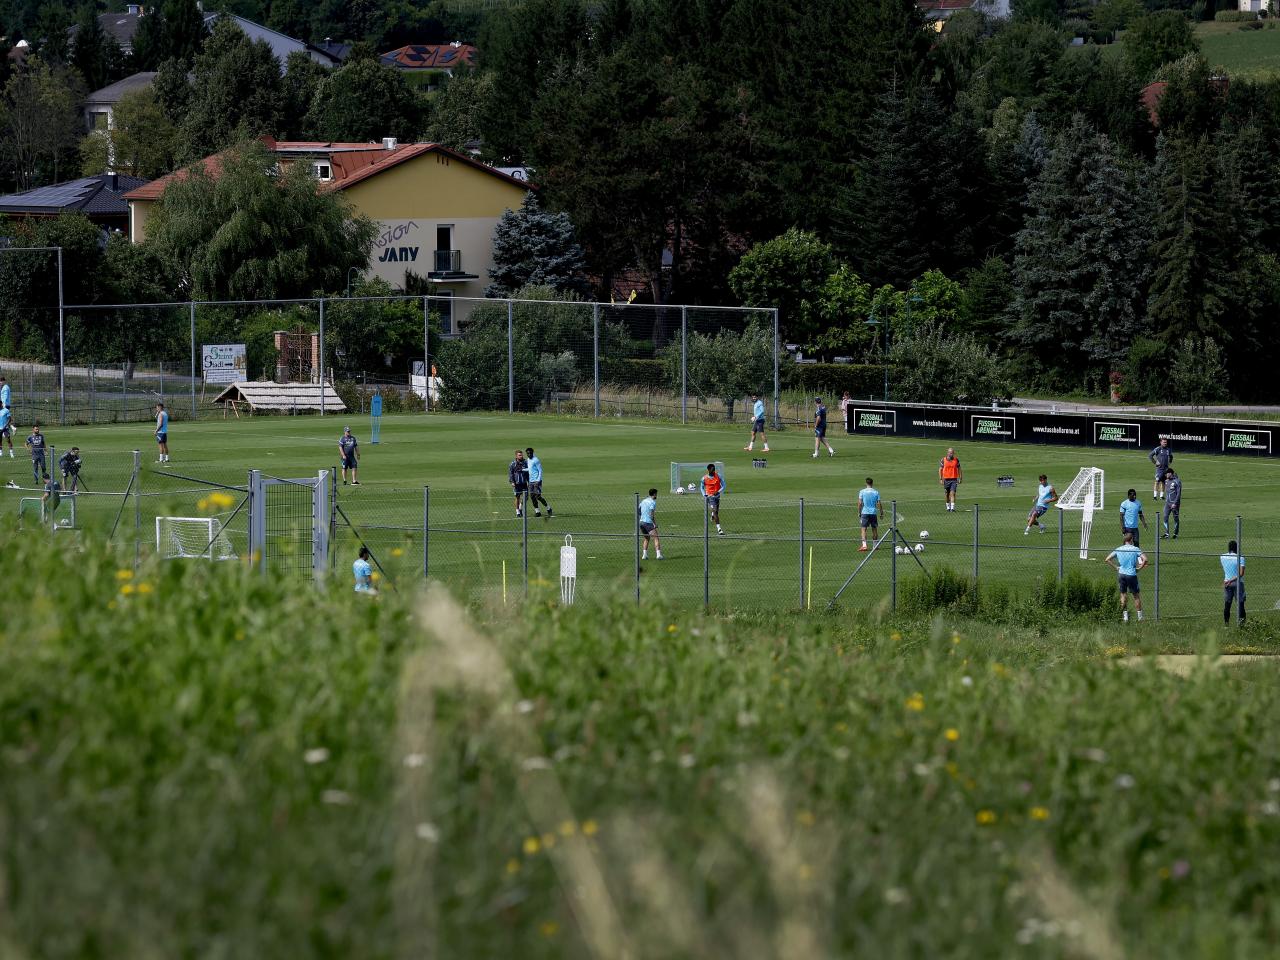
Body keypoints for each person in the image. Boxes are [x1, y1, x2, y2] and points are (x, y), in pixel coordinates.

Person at [1105, 531, 1147, 623]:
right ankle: (1140, 618)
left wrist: (1116, 568)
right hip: (1131, 574)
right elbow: (1145, 559)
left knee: (1123, 595)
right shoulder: (1135, 549)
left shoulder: (1119, 549)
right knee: (1136, 596)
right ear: (1131, 540)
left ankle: (1125, 617)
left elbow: (1107, 559)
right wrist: (1139, 568)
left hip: (1121, 574)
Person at [1221, 540, 1245, 625]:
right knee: (1241, 604)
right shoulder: (1240, 557)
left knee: (1227, 604)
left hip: (1227, 583)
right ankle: (1242, 625)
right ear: (1236, 548)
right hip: (1238, 583)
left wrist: (1229, 580)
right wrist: (1232, 579)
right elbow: (1241, 573)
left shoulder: (1222, 557)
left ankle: (1226, 625)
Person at [525, 447, 553, 517]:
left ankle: (548, 508)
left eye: (530, 453)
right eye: (528, 453)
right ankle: (537, 511)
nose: (529, 454)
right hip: (531, 481)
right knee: (532, 496)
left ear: (533, 453)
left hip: (537, 481)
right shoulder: (528, 460)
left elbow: (540, 470)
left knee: (538, 496)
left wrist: (538, 480)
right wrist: (522, 470)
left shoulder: (536, 460)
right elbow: (530, 469)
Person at [857, 477, 882, 552]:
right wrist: (881, 512)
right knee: (874, 529)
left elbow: (860, 503)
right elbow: (879, 503)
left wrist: (859, 512)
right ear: (872, 483)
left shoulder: (862, 491)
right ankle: (875, 546)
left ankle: (864, 546)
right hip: (873, 513)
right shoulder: (876, 492)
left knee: (863, 529)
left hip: (865, 512)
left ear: (866, 483)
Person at [701, 462, 725, 536]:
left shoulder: (718, 476)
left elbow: (724, 485)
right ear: (708, 470)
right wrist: (704, 495)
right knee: (715, 511)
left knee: (716, 512)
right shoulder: (704, 478)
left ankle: (712, 515)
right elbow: (701, 487)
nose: (713, 472)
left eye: (714, 470)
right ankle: (719, 529)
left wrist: (718, 492)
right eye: (712, 471)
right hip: (710, 497)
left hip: (717, 496)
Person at [638, 487, 663, 560]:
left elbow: (639, 511)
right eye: (656, 494)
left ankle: (644, 555)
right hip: (648, 522)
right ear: (654, 494)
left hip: (641, 522)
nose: (656, 496)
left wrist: (642, 517)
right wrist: (654, 524)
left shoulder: (643, 501)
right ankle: (658, 555)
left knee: (646, 538)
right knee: (656, 538)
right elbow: (652, 515)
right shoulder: (653, 502)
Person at [938, 447, 962, 512]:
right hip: (946, 479)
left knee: (953, 493)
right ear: (948, 453)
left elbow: (959, 469)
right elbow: (940, 469)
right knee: (947, 494)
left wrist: (960, 477)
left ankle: (952, 508)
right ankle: (948, 507)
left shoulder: (956, 460)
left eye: (952, 453)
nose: (951, 454)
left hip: (954, 479)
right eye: (950, 453)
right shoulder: (943, 460)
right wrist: (940, 479)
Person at [1161, 469, 1181, 539]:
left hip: (1174, 504)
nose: (1166, 475)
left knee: (1175, 518)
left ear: (1170, 473)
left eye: (1167, 473)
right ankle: (1167, 534)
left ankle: (1175, 534)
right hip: (1167, 504)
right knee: (1165, 517)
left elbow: (1178, 494)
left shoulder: (1177, 481)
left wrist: (1175, 503)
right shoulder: (1166, 481)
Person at [508, 449, 528, 518]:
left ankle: (520, 507)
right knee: (517, 497)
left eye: (522, 455)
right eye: (519, 455)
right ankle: (517, 511)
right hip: (517, 483)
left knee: (526, 497)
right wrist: (512, 482)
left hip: (524, 482)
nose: (521, 456)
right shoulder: (513, 464)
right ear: (516, 456)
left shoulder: (525, 462)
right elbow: (510, 474)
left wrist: (529, 481)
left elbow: (528, 472)